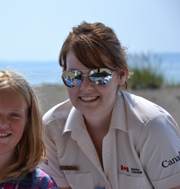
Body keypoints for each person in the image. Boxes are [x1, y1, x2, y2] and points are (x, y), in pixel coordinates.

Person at [40, 21, 180, 189]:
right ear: (64, 75)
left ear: (121, 74)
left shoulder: (153, 126)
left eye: (99, 75)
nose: (85, 87)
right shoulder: (52, 127)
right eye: (74, 76)